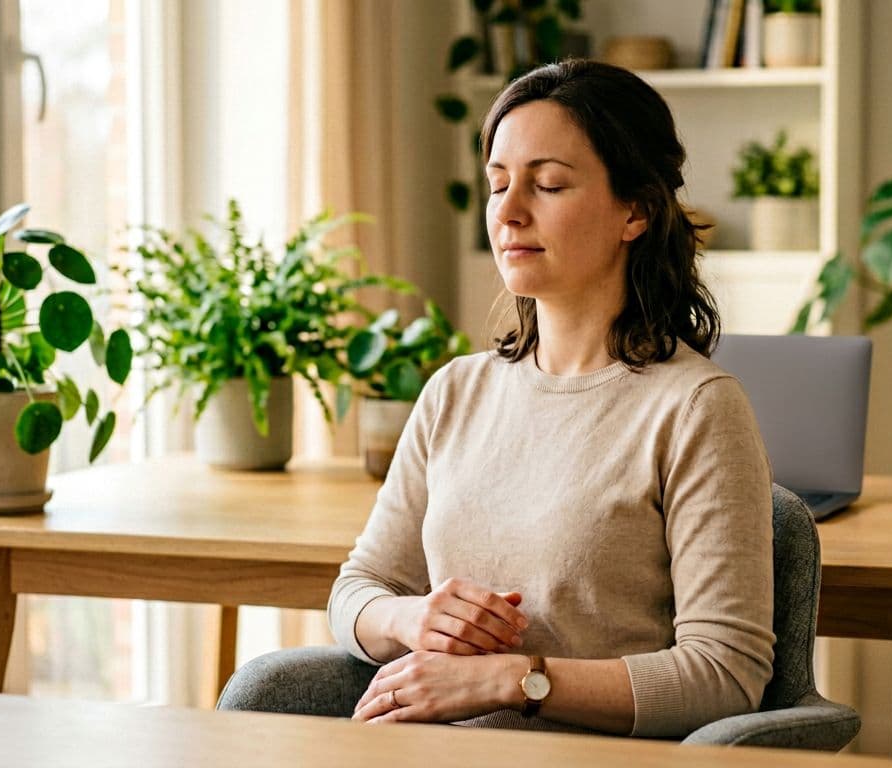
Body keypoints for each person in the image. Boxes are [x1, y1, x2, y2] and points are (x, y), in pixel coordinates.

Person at [219, 59, 774, 740]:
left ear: (637, 210)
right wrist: (410, 619)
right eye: (498, 184)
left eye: (548, 184)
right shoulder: (455, 390)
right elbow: (357, 589)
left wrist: (513, 678)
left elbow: (726, 674)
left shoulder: (696, 408)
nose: (509, 212)